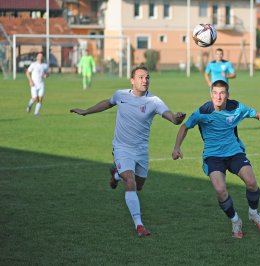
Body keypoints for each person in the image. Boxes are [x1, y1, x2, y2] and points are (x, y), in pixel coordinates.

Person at [172, 80, 260, 239]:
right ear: (211, 94)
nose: (218, 96)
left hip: (234, 152)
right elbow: (185, 127)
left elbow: (257, 115)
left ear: (227, 95)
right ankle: (235, 221)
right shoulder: (203, 111)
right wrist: (177, 147)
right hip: (213, 156)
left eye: (222, 93)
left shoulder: (236, 107)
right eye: (215, 93)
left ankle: (253, 214)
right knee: (220, 190)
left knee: (251, 182)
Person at [70, 65, 186, 237]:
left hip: (141, 151)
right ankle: (139, 225)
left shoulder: (154, 101)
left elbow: (170, 116)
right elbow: (107, 103)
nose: (145, 80)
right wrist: (87, 111)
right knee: (130, 181)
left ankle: (116, 174)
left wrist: (176, 119)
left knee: (138, 186)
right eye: (140, 77)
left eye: (147, 77)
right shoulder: (121, 95)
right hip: (122, 147)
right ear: (132, 80)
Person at [26, 52, 48, 116]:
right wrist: (30, 81)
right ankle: (29, 105)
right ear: (37, 57)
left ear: (42, 57)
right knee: (35, 98)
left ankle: (36, 114)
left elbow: (47, 73)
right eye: (39, 56)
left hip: (41, 84)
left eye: (41, 56)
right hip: (34, 84)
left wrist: (46, 75)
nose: (40, 57)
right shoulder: (33, 64)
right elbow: (27, 72)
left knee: (40, 99)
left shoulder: (45, 65)